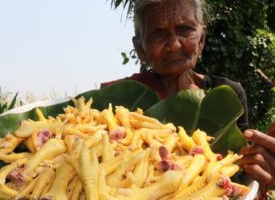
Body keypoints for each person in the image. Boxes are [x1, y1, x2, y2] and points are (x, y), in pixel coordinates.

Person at [101, 0, 275, 190]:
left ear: (201, 39)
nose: (174, 45)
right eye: (158, 33)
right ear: (140, 49)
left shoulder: (226, 94)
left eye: (185, 29)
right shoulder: (116, 103)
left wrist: (261, 166)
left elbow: (238, 177)